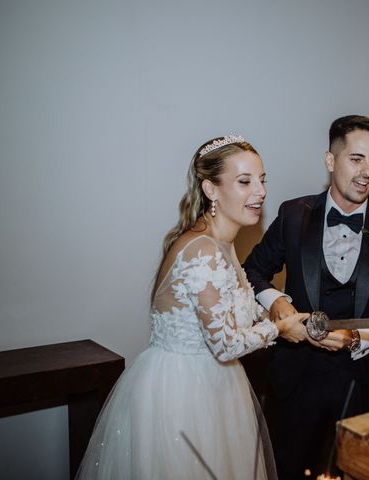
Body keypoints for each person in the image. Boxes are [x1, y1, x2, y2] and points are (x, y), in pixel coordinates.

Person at [76, 135, 309, 480]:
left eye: (262, 180)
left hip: (220, 386)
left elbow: (236, 314)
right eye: (244, 181)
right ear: (211, 189)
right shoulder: (202, 249)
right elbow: (226, 343)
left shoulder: (223, 244)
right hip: (182, 394)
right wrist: (278, 329)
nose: (259, 192)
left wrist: (289, 318)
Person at [243, 115, 369, 479]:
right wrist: (276, 300)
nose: (366, 172)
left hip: (366, 381)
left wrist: (359, 336)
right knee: (288, 469)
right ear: (330, 160)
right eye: (356, 159)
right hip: (297, 376)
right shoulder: (293, 215)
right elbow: (252, 270)